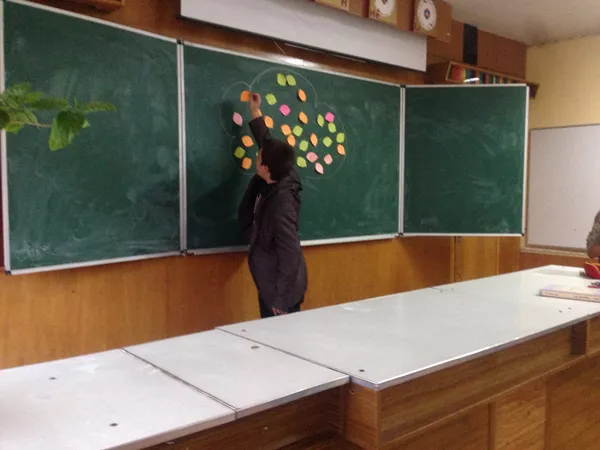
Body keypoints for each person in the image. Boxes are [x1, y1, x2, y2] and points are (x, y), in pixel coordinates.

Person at [238, 93, 307, 318]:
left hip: (280, 291)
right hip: (269, 282)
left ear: (266, 168)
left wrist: (281, 299)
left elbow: (290, 253)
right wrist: (255, 111)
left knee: (280, 338)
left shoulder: (282, 207)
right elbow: (267, 142)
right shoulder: (282, 169)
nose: (256, 158)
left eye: (259, 158)